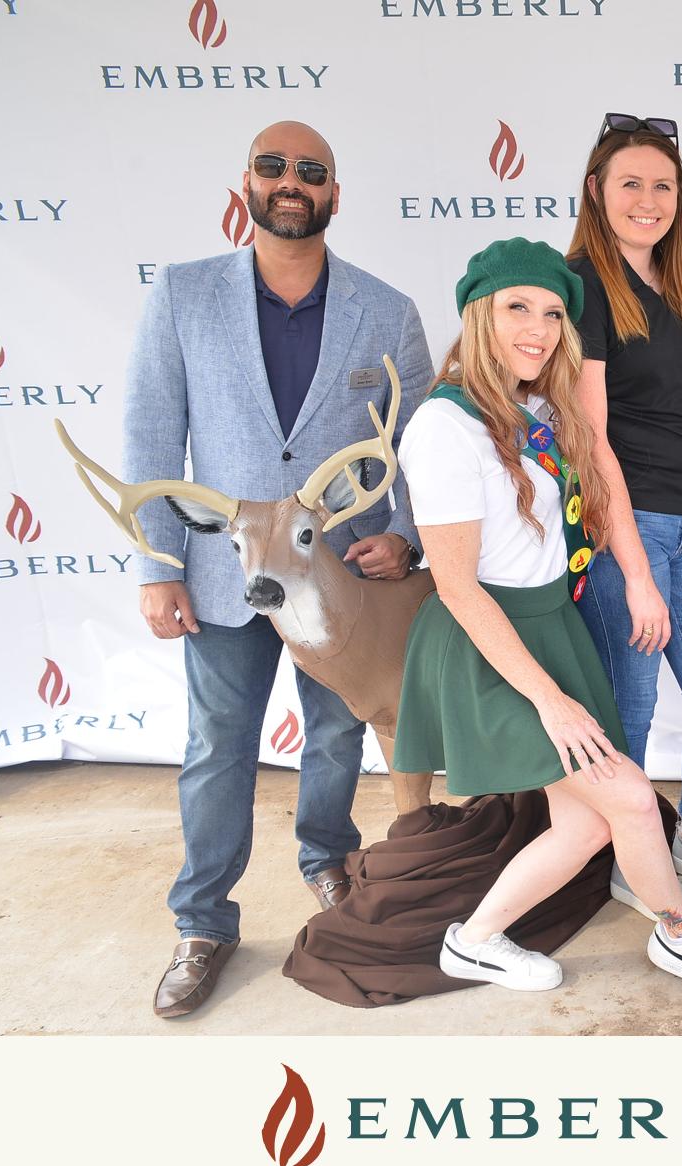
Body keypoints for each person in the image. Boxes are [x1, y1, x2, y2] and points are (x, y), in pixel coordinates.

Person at [392, 236, 682, 996]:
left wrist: (637, 574)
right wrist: (551, 701)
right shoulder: (443, 426)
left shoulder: (532, 407)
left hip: (546, 629)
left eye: (554, 313)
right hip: (487, 646)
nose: (538, 327)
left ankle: (474, 941)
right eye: (517, 308)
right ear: (476, 316)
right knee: (627, 795)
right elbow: (459, 590)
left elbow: (591, 494)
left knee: (588, 822)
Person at [124, 120, 434, 1018]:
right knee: (218, 748)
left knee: (337, 736)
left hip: (340, 586)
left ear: (335, 195)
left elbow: (420, 442)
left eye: (312, 172)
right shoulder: (182, 296)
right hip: (225, 579)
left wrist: (406, 535)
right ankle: (204, 923)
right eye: (275, 168)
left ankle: (328, 864)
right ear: (247, 184)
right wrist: (158, 561)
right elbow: (151, 431)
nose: (291, 183)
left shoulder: (387, 310)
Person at [566, 114, 682, 906]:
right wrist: (636, 572)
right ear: (596, 191)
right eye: (631, 184)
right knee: (633, 713)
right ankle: (626, 862)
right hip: (626, 531)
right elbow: (592, 440)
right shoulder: (581, 287)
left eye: (663, 186)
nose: (649, 200)